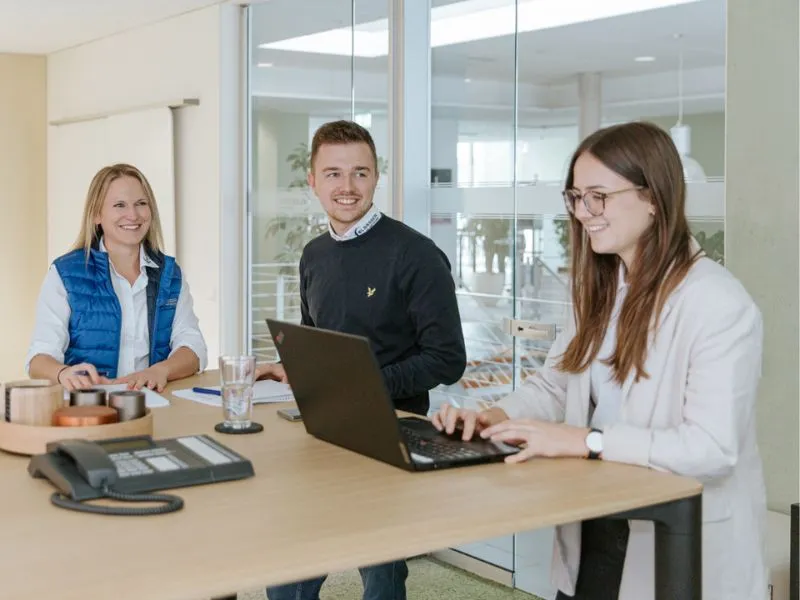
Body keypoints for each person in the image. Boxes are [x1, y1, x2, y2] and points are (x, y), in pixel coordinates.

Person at [433, 121, 767, 600]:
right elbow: (555, 385)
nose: (584, 212)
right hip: (596, 525)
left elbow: (712, 448)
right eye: (575, 197)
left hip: (673, 541)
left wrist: (584, 440)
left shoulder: (718, 303)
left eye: (598, 196)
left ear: (653, 197)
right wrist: (494, 417)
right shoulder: (600, 290)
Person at [260, 120, 467, 600]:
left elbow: (447, 359)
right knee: (294, 558)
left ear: (377, 177)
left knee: (380, 569)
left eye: (360, 173)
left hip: (390, 431)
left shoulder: (416, 255)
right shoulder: (313, 255)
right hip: (323, 427)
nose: (346, 187)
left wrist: (363, 384)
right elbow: (318, 343)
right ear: (312, 181)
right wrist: (295, 368)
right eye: (332, 174)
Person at [27, 163, 208, 392]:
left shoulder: (169, 275)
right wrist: (63, 373)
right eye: (119, 205)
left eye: (141, 204)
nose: (133, 215)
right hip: (87, 410)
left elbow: (193, 347)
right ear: (96, 214)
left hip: (152, 405)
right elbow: (38, 359)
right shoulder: (65, 274)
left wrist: (159, 371)